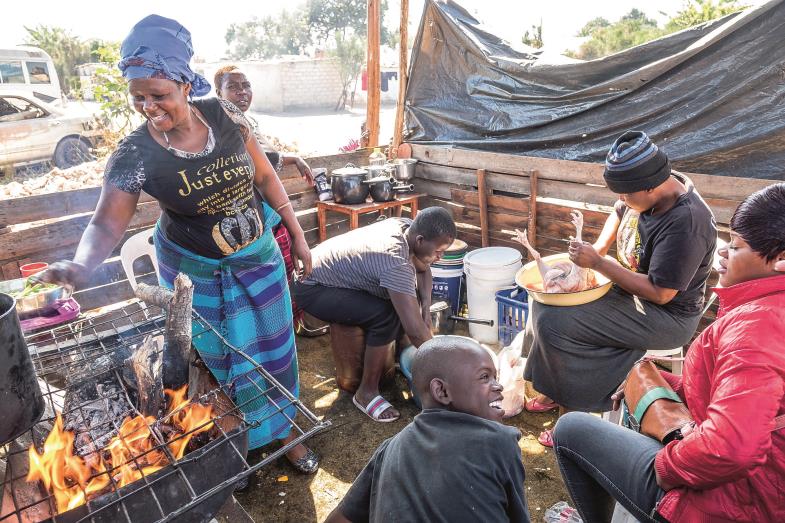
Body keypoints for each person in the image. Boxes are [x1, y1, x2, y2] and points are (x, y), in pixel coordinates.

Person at [38, 15, 318, 474]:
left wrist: (299, 236)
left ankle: (285, 433)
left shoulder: (225, 116)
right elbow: (105, 224)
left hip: (260, 261)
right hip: (198, 276)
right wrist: (79, 266)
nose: (148, 107)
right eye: (138, 97)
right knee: (218, 365)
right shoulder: (134, 154)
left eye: (159, 95)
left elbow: (266, 177)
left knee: (275, 352)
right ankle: (237, 447)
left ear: (186, 84)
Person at [552, 182, 785, 523]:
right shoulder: (767, 312)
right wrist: (662, 383)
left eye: (735, 247)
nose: (723, 253)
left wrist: (667, 467)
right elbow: (752, 397)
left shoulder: (757, 327)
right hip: (766, 484)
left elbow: (733, 448)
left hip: (735, 502)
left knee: (571, 430)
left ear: (781, 260)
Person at [521, 131, 717, 447]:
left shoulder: (687, 223)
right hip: (632, 292)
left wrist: (599, 263)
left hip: (668, 316)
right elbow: (617, 215)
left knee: (558, 323)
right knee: (547, 301)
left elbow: (661, 293)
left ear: (651, 186)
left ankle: (574, 417)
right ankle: (555, 387)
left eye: (626, 194)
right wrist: (586, 261)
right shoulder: (646, 190)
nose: (622, 199)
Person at [325, 336, 530, 523]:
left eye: (495, 377)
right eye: (485, 377)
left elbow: (339, 519)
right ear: (441, 391)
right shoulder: (499, 441)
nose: (499, 386)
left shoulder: (389, 449)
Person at [291, 207, 456, 422]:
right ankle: (366, 392)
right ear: (420, 240)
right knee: (386, 315)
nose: (441, 257)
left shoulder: (407, 227)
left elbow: (423, 267)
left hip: (331, 274)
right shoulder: (395, 260)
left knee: (403, 303)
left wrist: (425, 311)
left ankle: (398, 358)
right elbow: (415, 332)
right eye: (439, 251)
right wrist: (447, 368)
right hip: (312, 286)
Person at [214, 64, 327, 336]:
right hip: (247, 223)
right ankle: (275, 336)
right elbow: (259, 166)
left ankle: (293, 327)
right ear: (218, 93)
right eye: (233, 87)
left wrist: (294, 158)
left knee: (286, 273)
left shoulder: (246, 123)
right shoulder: (218, 128)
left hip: (269, 215)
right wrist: (291, 158)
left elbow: (264, 159)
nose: (242, 92)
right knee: (267, 284)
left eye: (246, 85)